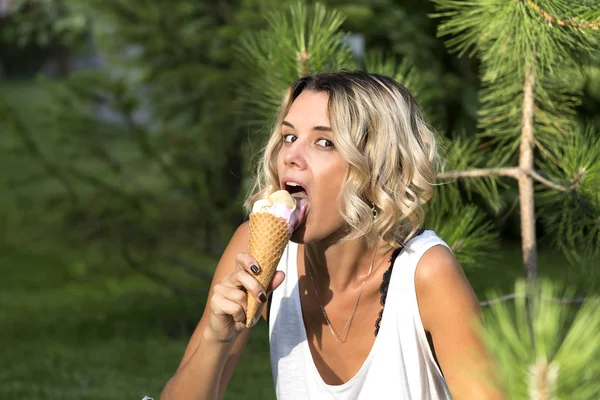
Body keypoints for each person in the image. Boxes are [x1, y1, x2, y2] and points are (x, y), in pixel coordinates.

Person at [161, 71, 503, 399]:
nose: (292, 157)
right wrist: (215, 339)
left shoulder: (426, 273)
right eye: (289, 136)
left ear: (377, 169)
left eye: (324, 142)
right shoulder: (254, 249)